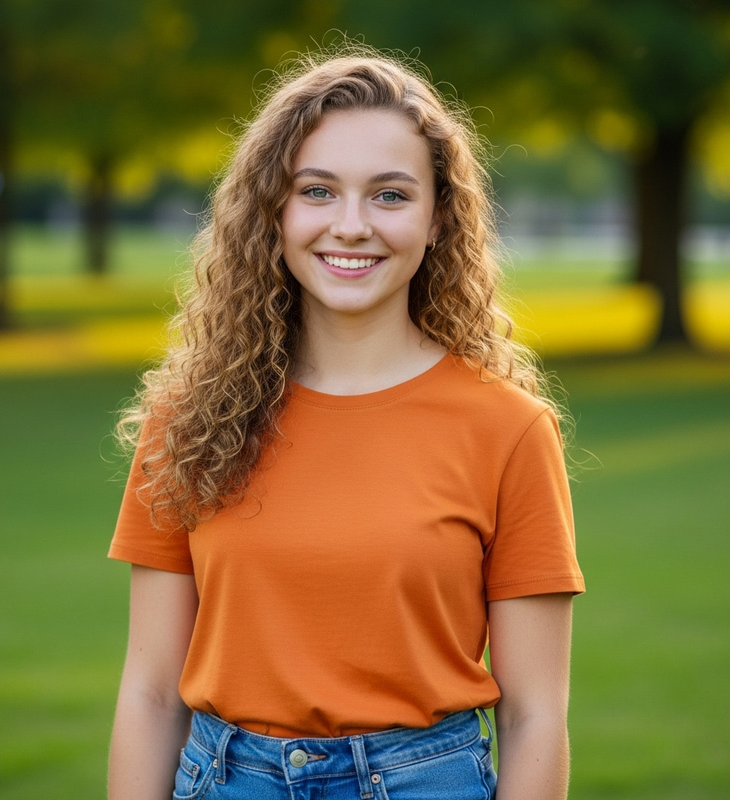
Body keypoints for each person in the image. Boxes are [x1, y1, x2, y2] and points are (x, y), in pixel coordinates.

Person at [107, 45, 584, 800]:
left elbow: (536, 713)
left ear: (437, 222)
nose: (352, 225)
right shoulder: (188, 419)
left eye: (390, 196)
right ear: (274, 213)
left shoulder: (509, 429)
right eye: (318, 191)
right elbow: (151, 693)